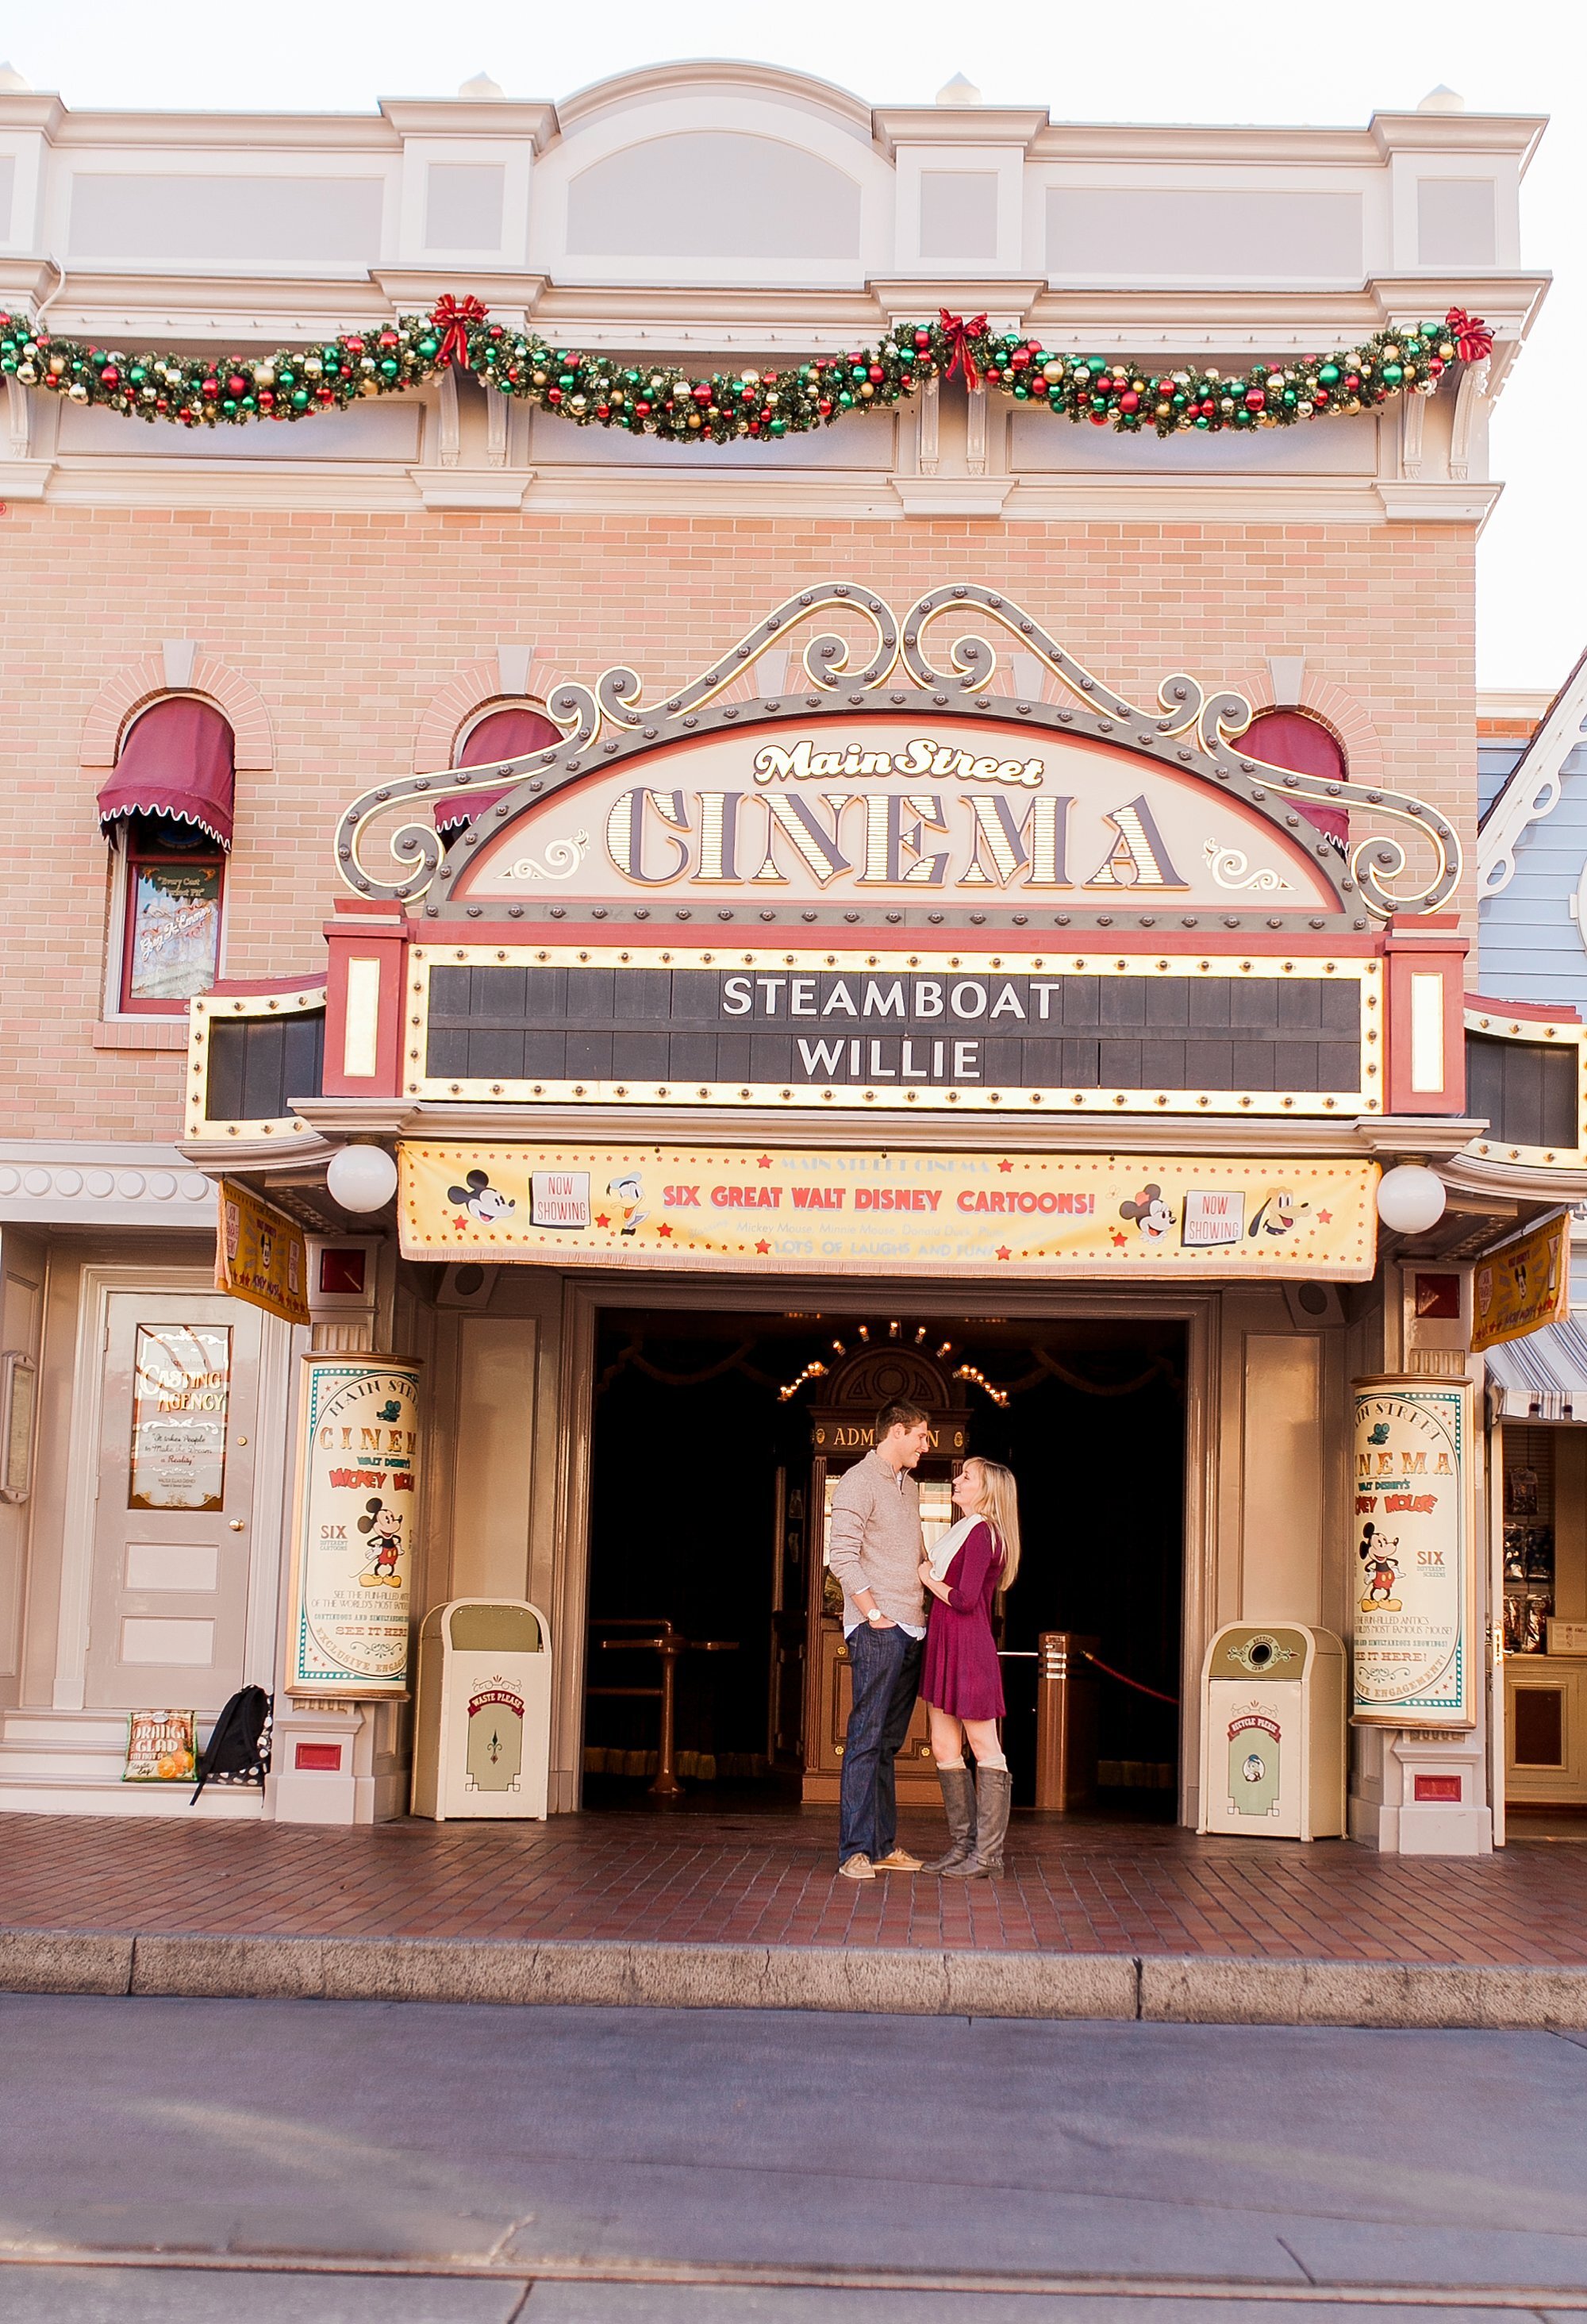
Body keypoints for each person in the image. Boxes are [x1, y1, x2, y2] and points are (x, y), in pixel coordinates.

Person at [827, 1399, 933, 1881]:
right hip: (878, 1629)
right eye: (921, 1436)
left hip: (912, 1627)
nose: (925, 1445)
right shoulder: (857, 1480)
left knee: (888, 1743)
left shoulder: (909, 1488)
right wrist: (872, 1614)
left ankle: (883, 1846)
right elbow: (841, 1558)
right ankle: (854, 1852)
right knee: (866, 1739)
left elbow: (917, 1554)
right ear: (896, 1431)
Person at [917, 1457, 1021, 1879]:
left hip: (968, 1648)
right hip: (946, 1646)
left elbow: (962, 1599)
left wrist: (926, 1577)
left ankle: (988, 1856)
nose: (957, 1481)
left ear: (988, 1490)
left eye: (967, 1477)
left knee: (985, 1750)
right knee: (944, 1749)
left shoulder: (983, 1532)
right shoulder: (967, 1529)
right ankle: (964, 1848)